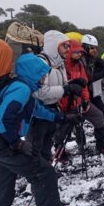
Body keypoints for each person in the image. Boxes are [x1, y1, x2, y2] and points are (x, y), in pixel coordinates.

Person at [0, 53, 76, 206]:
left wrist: (63, 117)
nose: (44, 77)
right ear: (32, 73)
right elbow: (3, 119)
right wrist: (16, 143)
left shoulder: (23, 88)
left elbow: (38, 110)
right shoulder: (21, 90)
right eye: (42, 73)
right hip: (3, 143)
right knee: (44, 172)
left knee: (2, 184)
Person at [27, 30, 84, 161]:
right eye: (65, 45)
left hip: (52, 109)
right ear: (54, 44)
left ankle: (46, 173)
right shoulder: (41, 63)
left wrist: (73, 83)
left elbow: (61, 84)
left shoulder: (59, 63)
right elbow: (39, 92)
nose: (68, 49)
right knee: (36, 148)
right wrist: (66, 89)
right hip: (37, 113)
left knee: (47, 146)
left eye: (69, 46)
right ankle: (38, 175)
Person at [57, 39, 104, 155]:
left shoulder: (80, 64)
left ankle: (101, 146)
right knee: (63, 130)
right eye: (76, 52)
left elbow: (84, 85)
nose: (79, 55)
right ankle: (60, 153)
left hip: (80, 102)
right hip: (65, 104)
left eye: (80, 52)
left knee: (99, 116)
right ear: (69, 51)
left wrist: (86, 100)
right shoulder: (60, 65)